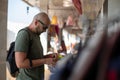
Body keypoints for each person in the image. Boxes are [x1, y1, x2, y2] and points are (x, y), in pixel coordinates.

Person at [15, 12, 58, 80]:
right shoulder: (24, 34)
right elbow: (20, 63)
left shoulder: (36, 36)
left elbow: (34, 58)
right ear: (36, 22)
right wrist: (45, 61)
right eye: (44, 27)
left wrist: (47, 57)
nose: (44, 31)